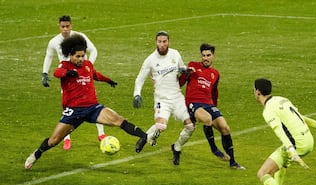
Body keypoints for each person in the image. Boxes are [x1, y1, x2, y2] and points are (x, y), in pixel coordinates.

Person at [25, 34, 149, 170]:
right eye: (77, 56)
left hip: (93, 108)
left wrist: (108, 80)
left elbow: (95, 74)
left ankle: (144, 136)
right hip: (74, 111)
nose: (81, 59)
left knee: (117, 119)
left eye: (83, 56)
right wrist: (67, 73)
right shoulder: (65, 65)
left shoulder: (87, 65)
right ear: (70, 55)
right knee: (54, 140)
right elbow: (56, 72)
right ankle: (36, 154)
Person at [41, 15, 106, 150]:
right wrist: (44, 73)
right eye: (62, 26)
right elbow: (49, 56)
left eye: (67, 26)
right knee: (67, 108)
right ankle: (66, 138)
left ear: (72, 25)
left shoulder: (80, 37)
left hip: (83, 80)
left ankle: (101, 134)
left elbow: (93, 50)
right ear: (59, 27)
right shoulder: (54, 42)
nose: (65, 29)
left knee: (94, 104)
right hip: (68, 80)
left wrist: (88, 67)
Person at [132, 31, 195, 165]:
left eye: (164, 41)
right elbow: (139, 79)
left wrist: (186, 70)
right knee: (161, 125)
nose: (162, 44)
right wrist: (137, 94)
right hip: (162, 99)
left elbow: (181, 68)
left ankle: (177, 147)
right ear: (156, 42)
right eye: (159, 42)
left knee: (190, 126)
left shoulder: (175, 54)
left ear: (168, 42)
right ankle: (144, 138)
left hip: (177, 97)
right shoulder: (150, 60)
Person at [179, 43, 245, 170]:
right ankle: (214, 149)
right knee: (207, 119)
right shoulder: (193, 65)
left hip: (208, 104)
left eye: (208, 55)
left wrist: (215, 107)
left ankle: (233, 162)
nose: (205, 58)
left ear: (213, 56)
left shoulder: (215, 73)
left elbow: (214, 92)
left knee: (225, 128)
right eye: (203, 55)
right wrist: (186, 73)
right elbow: (180, 83)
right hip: (193, 103)